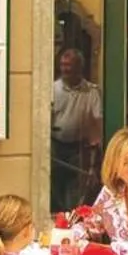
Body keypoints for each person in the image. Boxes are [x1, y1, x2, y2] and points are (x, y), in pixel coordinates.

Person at [50, 45, 103, 212]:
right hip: (56, 147)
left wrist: (96, 149)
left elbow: (97, 121)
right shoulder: (52, 90)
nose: (65, 69)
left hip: (79, 149)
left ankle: (70, 220)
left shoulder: (92, 92)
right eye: (63, 65)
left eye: (69, 66)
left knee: (75, 191)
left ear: (79, 67)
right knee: (55, 186)